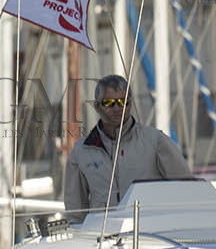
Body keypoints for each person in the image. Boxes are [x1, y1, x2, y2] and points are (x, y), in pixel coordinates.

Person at [64, 74, 193, 220]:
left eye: (123, 102)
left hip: (149, 234)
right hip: (102, 237)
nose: (117, 108)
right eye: (109, 103)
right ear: (96, 106)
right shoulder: (81, 151)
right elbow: (75, 211)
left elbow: (186, 189)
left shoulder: (155, 141)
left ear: (130, 104)